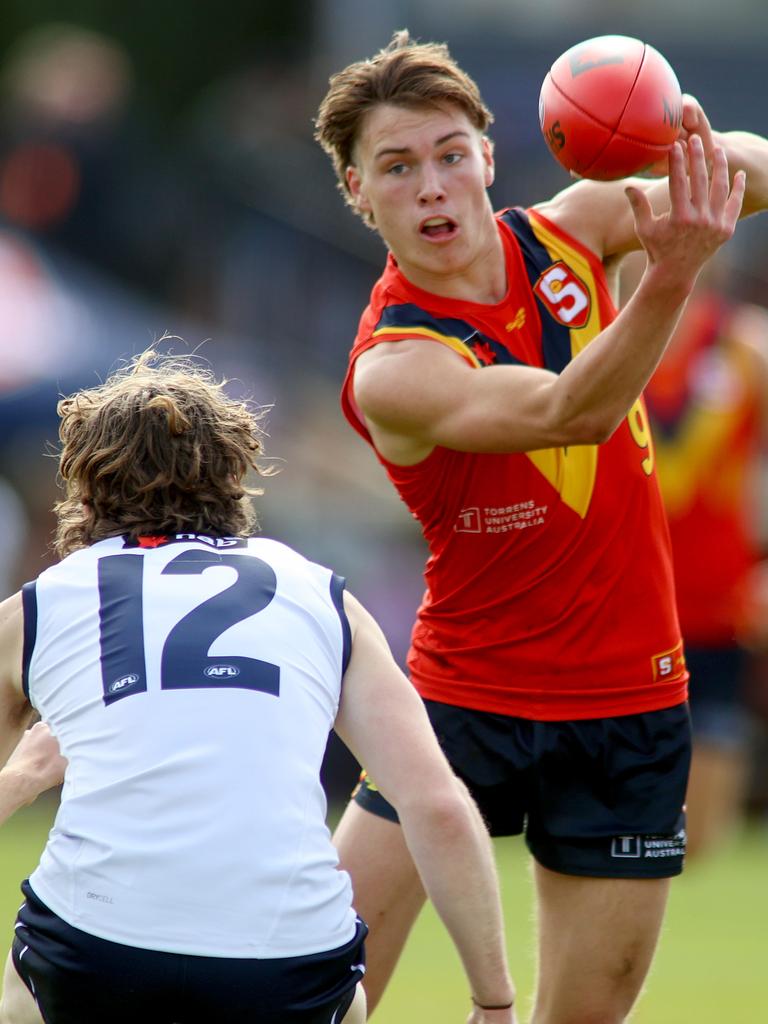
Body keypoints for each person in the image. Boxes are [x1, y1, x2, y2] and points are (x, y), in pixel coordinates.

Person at [314, 29, 768, 1023]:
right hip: (461, 702)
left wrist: (693, 143)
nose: (431, 186)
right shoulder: (395, 365)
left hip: (629, 697)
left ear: (486, 151)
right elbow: (572, 412)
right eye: (396, 167)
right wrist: (676, 272)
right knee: (316, 996)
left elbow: (754, 168)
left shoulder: (577, 226)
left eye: (447, 153)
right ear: (358, 192)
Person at [0, 350, 516, 1024]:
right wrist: (493, 1000)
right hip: (288, 967)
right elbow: (438, 807)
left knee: (22, 1000)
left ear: (87, 487)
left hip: (96, 957)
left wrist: (25, 777)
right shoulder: (321, 595)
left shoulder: (31, 611)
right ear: (234, 476)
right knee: (350, 1005)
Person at [638, 256, 768, 858]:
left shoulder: (749, 347)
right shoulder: (607, 339)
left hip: (720, 592)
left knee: (705, 829)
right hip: (624, 591)